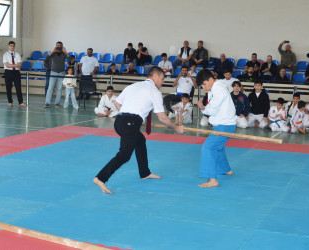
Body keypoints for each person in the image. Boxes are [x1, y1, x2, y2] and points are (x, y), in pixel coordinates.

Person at [93, 66, 183, 194]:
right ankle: (100, 178)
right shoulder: (154, 92)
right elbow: (162, 117)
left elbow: (117, 104)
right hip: (130, 123)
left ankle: (144, 172)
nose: (163, 82)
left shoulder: (133, 86)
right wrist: (176, 128)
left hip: (120, 121)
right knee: (124, 155)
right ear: (155, 76)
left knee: (140, 140)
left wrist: (131, 112)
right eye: (162, 79)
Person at [196, 69, 237, 188]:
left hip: (224, 125)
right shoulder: (216, 88)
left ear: (210, 79)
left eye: (204, 84)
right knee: (218, 147)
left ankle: (212, 180)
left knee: (208, 147)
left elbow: (211, 109)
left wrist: (202, 107)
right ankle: (225, 169)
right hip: (224, 124)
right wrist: (205, 108)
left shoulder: (218, 89)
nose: (203, 87)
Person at [45, 41, 70, 108]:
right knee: (50, 88)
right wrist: (53, 51)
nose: (59, 47)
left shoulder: (64, 54)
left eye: (60, 46)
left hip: (61, 73)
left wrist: (66, 52)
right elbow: (47, 57)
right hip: (53, 73)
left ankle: (57, 103)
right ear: (56, 46)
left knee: (60, 89)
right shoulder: (53, 53)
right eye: (57, 45)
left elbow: (71, 60)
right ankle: (47, 102)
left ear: (62, 46)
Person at [3, 41, 26, 107]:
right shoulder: (5, 55)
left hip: (16, 72)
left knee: (18, 87)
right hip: (8, 72)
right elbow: (7, 65)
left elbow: (20, 65)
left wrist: (12, 65)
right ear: (8, 46)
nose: (12, 47)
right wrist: (16, 65)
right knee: (8, 87)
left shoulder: (17, 54)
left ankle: (20, 102)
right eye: (11, 46)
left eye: (13, 46)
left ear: (14, 46)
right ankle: (10, 101)